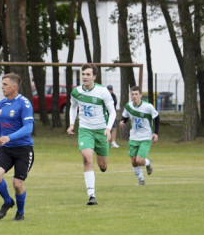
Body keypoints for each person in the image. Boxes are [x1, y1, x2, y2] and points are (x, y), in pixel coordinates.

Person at [0, 73, 34, 221]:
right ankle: (7, 201)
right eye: (2, 84)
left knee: (17, 184)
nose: (2, 87)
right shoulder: (0, 104)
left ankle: (20, 212)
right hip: (6, 149)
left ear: (14, 87)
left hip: (24, 149)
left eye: (5, 84)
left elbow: (28, 128)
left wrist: (9, 137)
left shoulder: (24, 104)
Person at [66, 64, 117, 205]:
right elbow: (72, 106)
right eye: (83, 74)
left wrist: (108, 128)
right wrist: (71, 124)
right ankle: (91, 195)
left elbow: (112, 112)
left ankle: (102, 166)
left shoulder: (103, 92)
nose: (84, 77)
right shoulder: (76, 92)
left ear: (94, 76)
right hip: (85, 130)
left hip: (101, 131)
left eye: (88, 74)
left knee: (103, 166)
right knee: (87, 159)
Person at [119, 86, 158, 185]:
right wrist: (123, 121)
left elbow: (157, 118)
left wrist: (156, 133)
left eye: (136, 94)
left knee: (139, 160)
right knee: (133, 161)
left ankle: (147, 162)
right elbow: (125, 116)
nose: (134, 96)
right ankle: (141, 180)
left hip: (146, 137)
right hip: (133, 137)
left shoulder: (148, 107)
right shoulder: (128, 106)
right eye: (132, 94)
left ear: (140, 95)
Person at [107, 84, 121, 148]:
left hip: (112, 115)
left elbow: (114, 104)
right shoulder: (104, 96)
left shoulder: (114, 96)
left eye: (110, 90)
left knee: (114, 128)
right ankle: (105, 141)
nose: (109, 91)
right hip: (106, 114)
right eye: (108, 90)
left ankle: (113, 142)